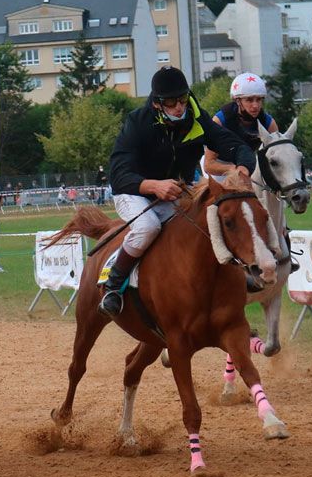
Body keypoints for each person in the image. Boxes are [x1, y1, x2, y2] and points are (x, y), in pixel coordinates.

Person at [100, 66, 257, 315]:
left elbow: (237, 146)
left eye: (182, 99)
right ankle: (114, 284)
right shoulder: (137, 122)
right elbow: (119, 175)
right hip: (133, 193)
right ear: (157, 104)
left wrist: (243, 168)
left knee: (212, 215)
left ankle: (232, 271)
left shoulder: (197, 118)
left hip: (176, 192)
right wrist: (153, 185)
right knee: (148, 227)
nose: (179, 107)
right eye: (171, 102)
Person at [202, 72, 280, 180]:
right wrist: (235, 170)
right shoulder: (220, 120)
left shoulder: (269, 123)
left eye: (259, 99)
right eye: (249, 100)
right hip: (220, 165)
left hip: (248, 163)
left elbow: (278, 155)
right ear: (238, 100)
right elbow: (209, 165)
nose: (255, 105)